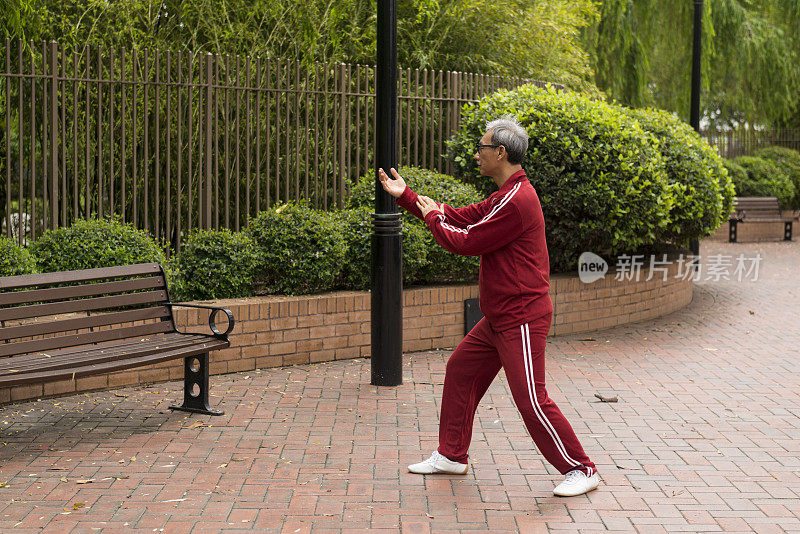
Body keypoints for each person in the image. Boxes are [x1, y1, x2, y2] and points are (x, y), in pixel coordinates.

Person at [378, 116, 599, 497]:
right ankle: (452, 455)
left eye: (482, 148)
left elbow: (464, 240)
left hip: (522, 318)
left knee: (531, 399)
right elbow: (463, 218)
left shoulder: (517, 200)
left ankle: (582, 468)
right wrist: (410, 198)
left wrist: (430, 216)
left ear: (500, 152)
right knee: (461, 369)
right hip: (499, 317)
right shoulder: (505, 194)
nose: (476, 154)